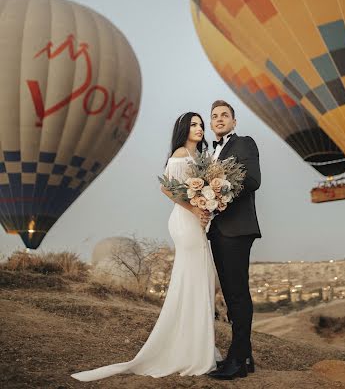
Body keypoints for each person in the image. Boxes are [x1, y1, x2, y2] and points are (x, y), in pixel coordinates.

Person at [71, 112, 219, 382]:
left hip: (197, 219)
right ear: (183, 129)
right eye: (193, 124)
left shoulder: (200, 157)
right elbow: (166, 189)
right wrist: (194, 209)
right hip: (185, 222)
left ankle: (196, 345)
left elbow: (201, 191)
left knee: (201, 279)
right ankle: (192, 351)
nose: (198, 128)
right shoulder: (179, 155)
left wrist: (207, 204)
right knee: (194, 279)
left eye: (200, 124)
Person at [207, 100, 261, 381]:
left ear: (234, 121)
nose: (219, 119)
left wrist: (223, 190)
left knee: (238, 295)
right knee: (230, 295)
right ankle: (246, 356)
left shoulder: (244, 143)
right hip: (217, 230)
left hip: (237, 229)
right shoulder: (210, 151)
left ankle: (237, 360)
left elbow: (253, 180)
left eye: (224, 115)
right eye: (214, 116)